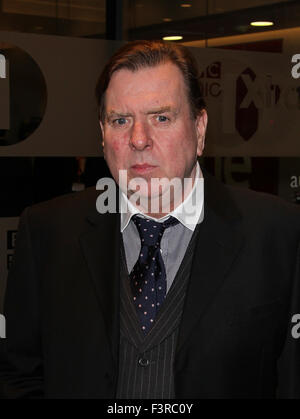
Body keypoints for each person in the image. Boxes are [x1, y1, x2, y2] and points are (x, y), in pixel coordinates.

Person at [0, 40, 300, 399]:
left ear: (200, 128)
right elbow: (18, 375)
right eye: (121, 120)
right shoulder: (48, 232)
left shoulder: (278, 233)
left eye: (161, 117)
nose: (138, 139)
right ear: (102, 133)